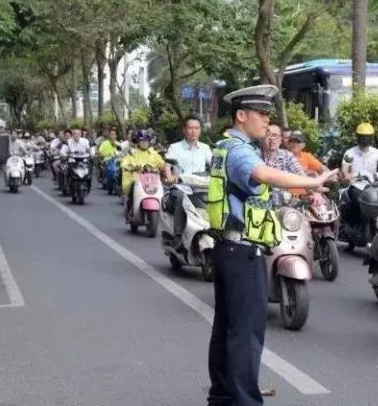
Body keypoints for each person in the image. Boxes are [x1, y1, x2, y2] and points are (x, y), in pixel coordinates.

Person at [206, 85, 337, 406]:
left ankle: (222, 396)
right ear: (241, 115)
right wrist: (313, 182)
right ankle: (243, 400)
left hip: (230, 248)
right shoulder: (239, 151)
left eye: (268, 114)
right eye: (262, 114)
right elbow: (263, 174)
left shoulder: (227, 145)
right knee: (246, 332)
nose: (267, 121)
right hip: (242, 251)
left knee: (227, 327)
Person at [163, 117, 213, 248]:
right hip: (181, 187)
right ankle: (178, 236)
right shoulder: (175, 148)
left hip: (200, 188)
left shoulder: (205, 148)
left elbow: (214, 166)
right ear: (184, 130)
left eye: (196, 128)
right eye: (190, 128)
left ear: (200, 130)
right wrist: (170, 177)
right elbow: (167, 165)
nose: (193, 131)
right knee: (180, 198)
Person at [340, 122, 378, 224]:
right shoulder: (350, 153)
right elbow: (344, 173)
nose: (365, 139)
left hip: (373, 186)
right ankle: (359, 230)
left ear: (372, 138)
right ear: (358, 137)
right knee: (362, 202)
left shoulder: (376, 153)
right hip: (355, 186)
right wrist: (356, 175)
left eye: (368, 137)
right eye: (362, 137)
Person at [121, 130, 174, 211]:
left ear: (149, 142)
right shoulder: (132, 153)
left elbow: (162, 164)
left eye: (146, 141)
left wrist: (165, 167)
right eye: (142, 141)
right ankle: (130, 206)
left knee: (164, 190)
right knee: (132, 188)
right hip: (136, 179)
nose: (144, 143)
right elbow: (124, 164)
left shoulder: (154, 153)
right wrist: (134, 168)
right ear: (138, 141)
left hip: (152, 180)